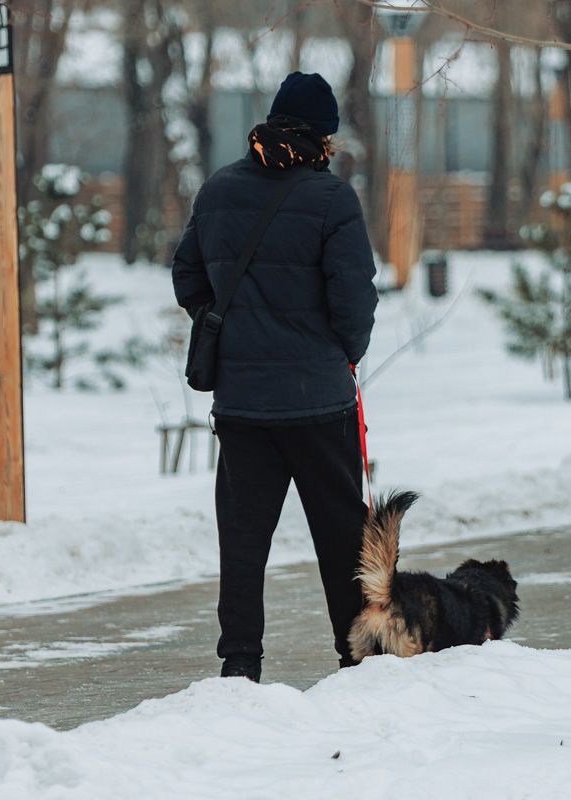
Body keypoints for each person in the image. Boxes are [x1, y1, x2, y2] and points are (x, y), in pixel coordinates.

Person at [172, 72, 378, 682]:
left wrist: (230, 328)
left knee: (242, 540)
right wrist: (344, 352)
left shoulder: (217, 191)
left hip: (242, 406)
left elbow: (188, 277)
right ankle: (357, 656)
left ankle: (240, 662)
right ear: (323, 137)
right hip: (319, 402)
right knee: (342, 536)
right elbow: (354, 299)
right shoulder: (332, 199)